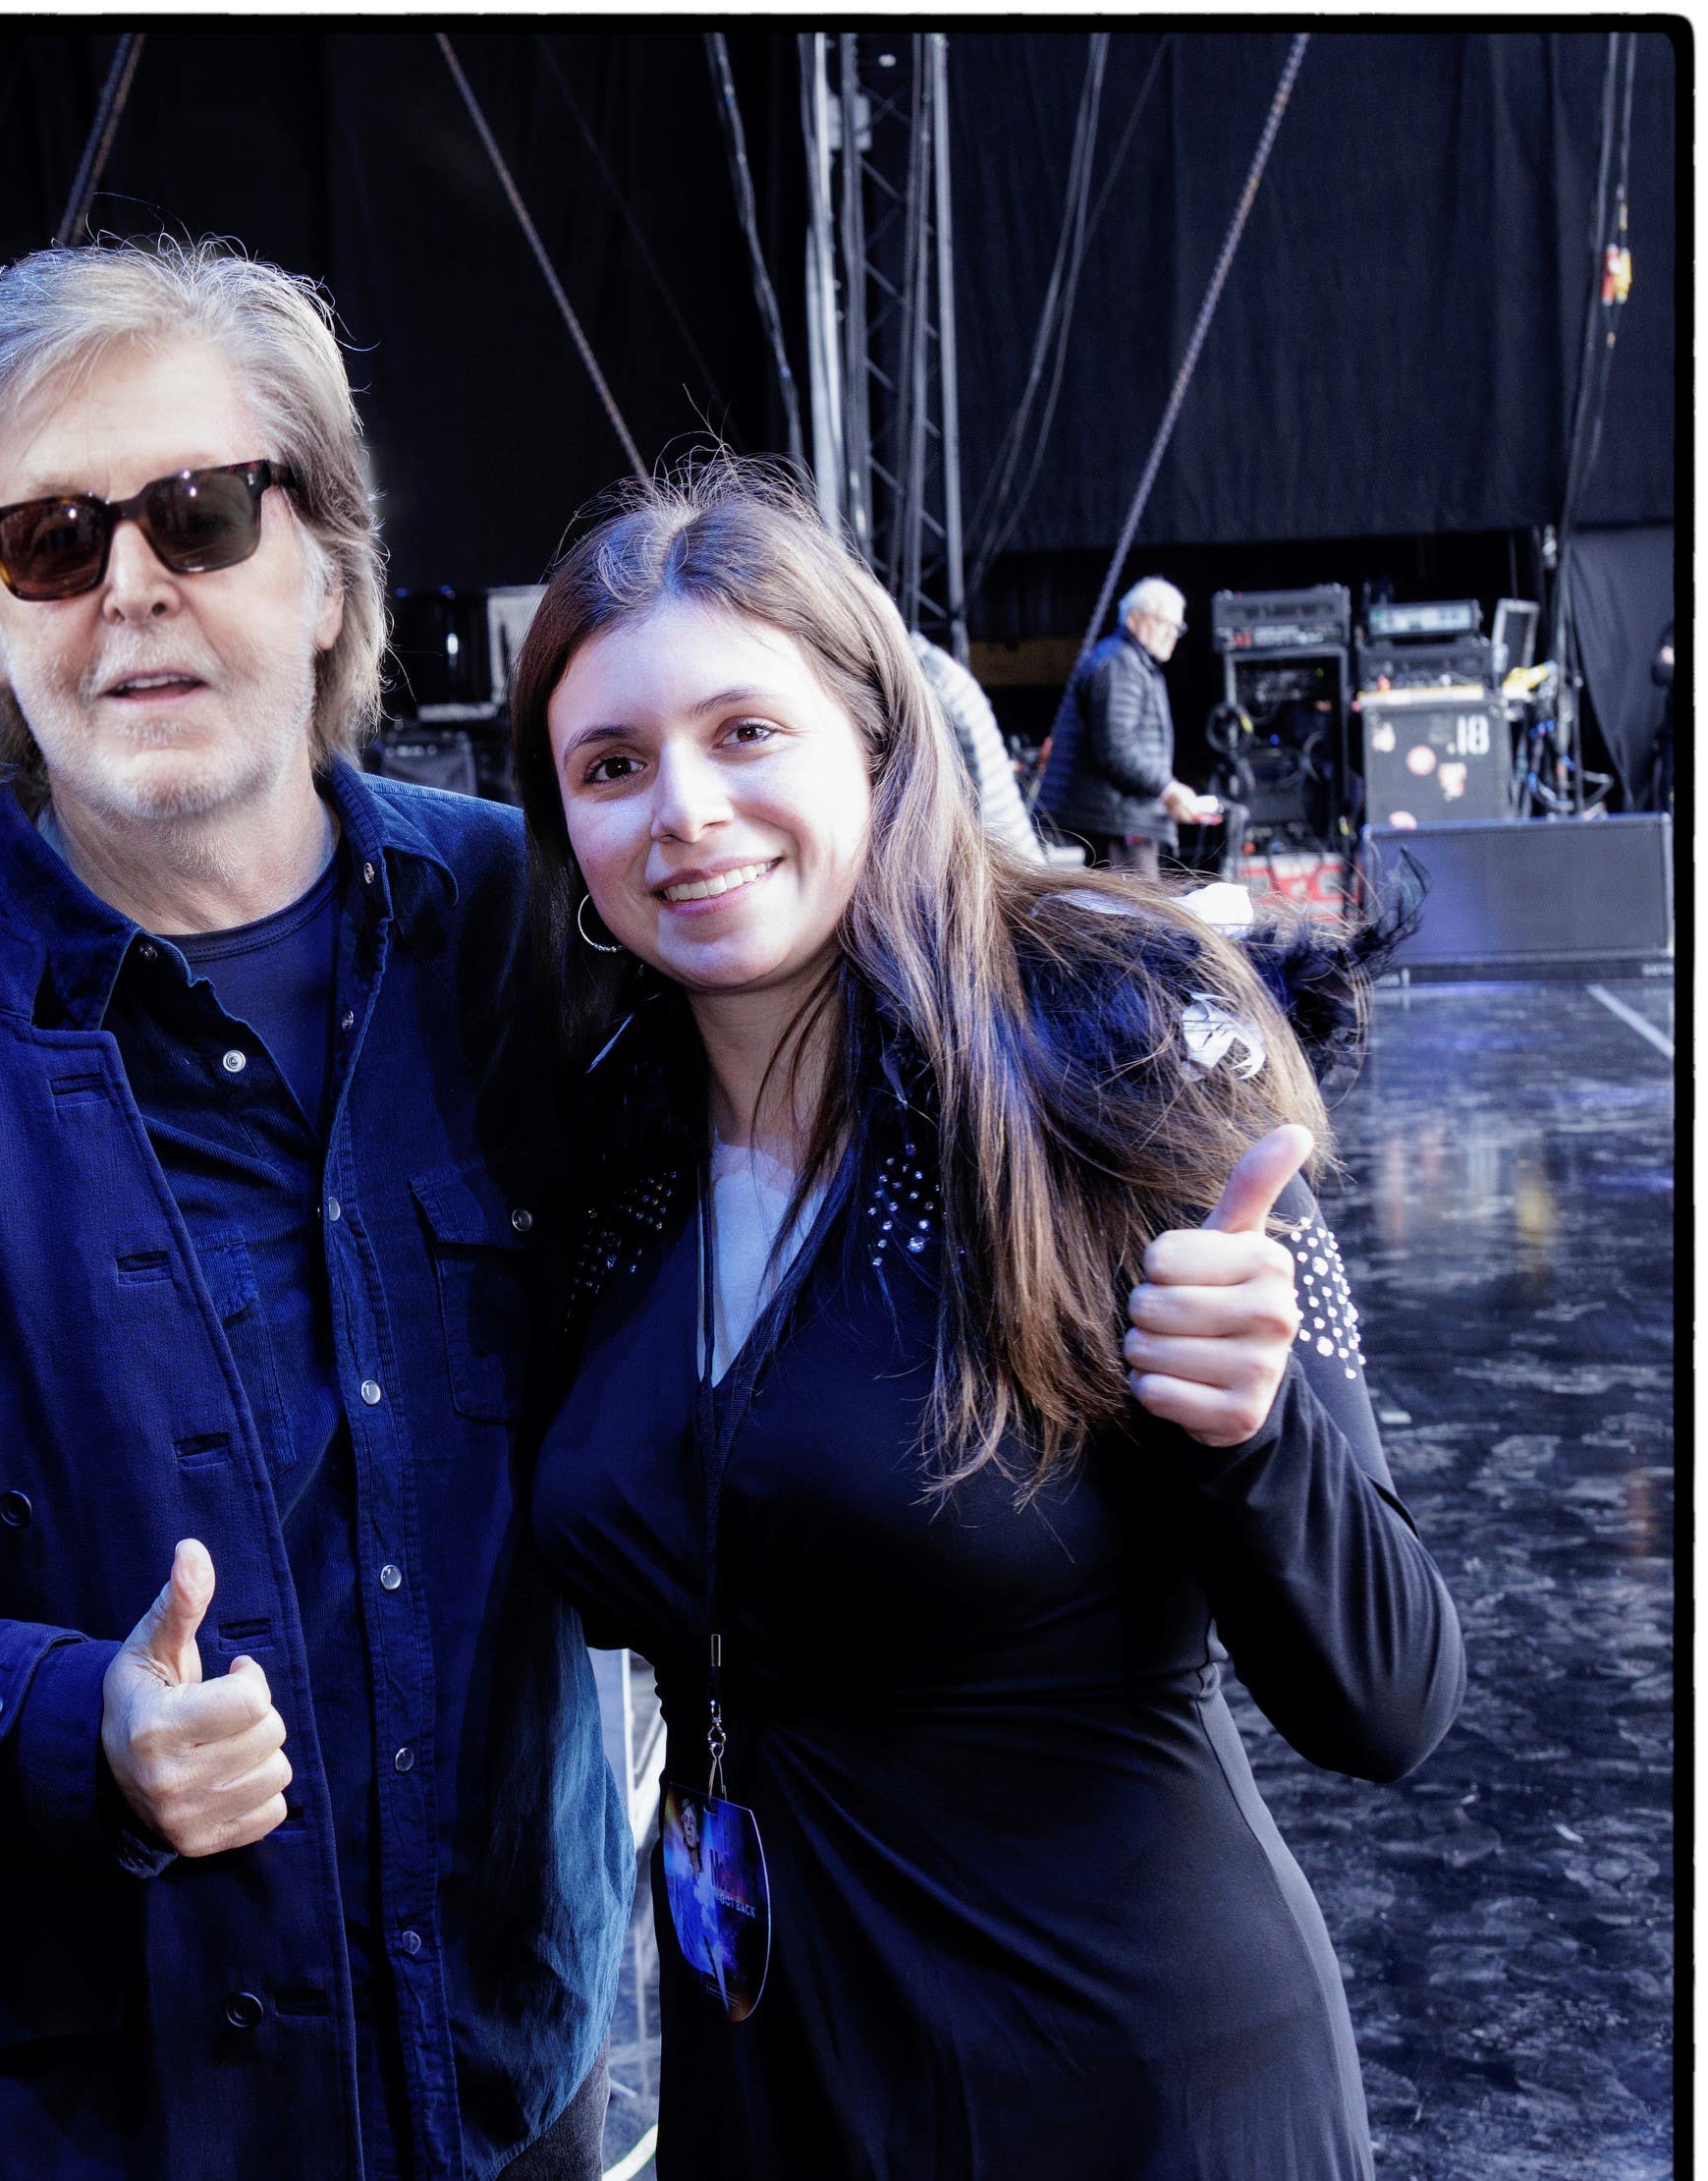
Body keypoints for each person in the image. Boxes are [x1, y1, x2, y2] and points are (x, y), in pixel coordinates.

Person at [0, 239, 630, 2181]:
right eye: (43, 541)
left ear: (331, 562)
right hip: (85, 2122)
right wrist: (67, 1722)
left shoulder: (542, 939)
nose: (132, 589)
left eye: (198, 513)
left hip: (499, 2077)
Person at [514, 460, 1463, 2178]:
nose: (685, 811)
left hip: (1128, 2092)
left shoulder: (1113, 1041)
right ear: (565, 827)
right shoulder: (604, 1151)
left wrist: (1258, 1434)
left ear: (878, 750)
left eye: (748, 732)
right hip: (776, 2086)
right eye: (613, 765)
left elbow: (1392, 1698)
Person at [1033, 575, 1218, 875]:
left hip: (1117, 818)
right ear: (1134, 619)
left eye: (1177, 627)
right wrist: (1167, 789)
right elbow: (1115, 749)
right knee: (1134, 919)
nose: (1172, 634)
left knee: (1136, 917)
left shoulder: (1128, 661)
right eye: (1164, 623)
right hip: (1113, 821)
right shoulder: (1121, 664)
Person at [907, 630, 1041, 859]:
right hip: (1006, 858)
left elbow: (964, 795)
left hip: (994, 868)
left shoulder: (924, 682)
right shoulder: (933, 665)